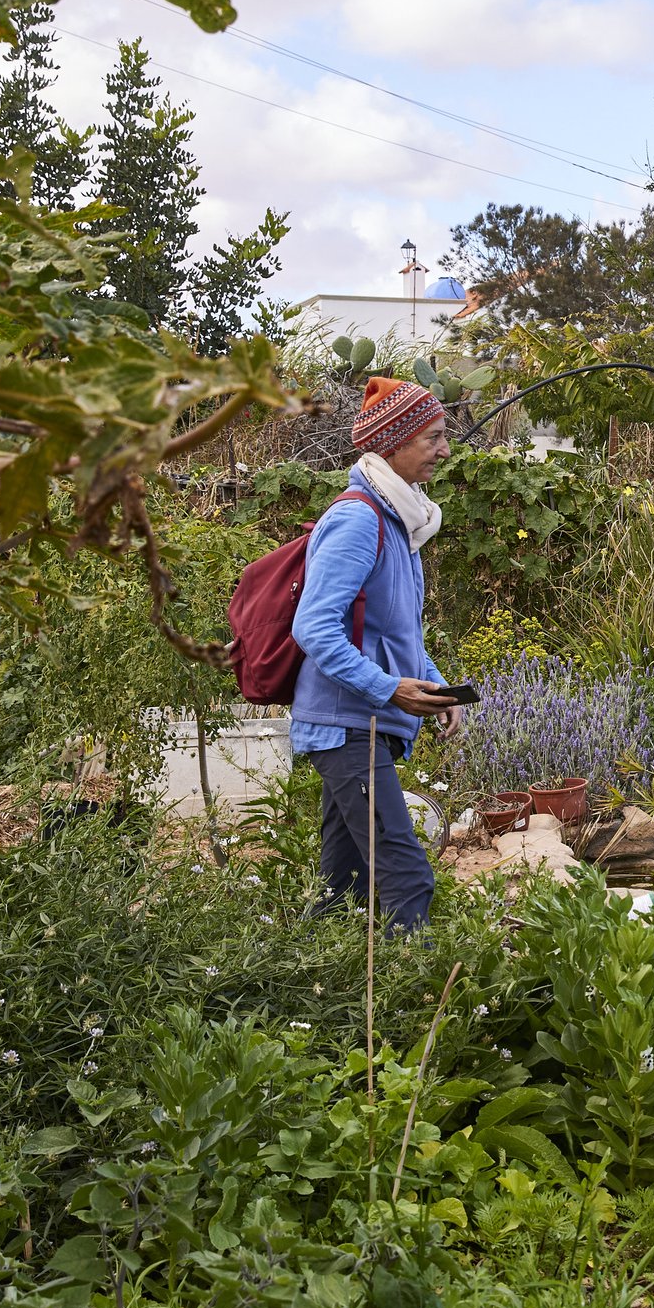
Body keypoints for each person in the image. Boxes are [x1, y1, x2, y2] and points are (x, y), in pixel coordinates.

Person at [290, 376, 463, 930]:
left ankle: (308, 993)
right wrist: (391, 688)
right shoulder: (360, 518)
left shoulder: (401, 521)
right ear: (393, 444)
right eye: (433, 437)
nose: (444, 450)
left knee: (342, 886)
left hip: (368, 722)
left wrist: (433, 684)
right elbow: (313, 628)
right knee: (407, 875)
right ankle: (418, 1003)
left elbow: (397, 631)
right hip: (347, 726)